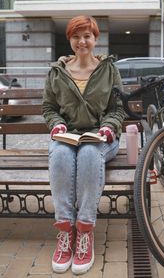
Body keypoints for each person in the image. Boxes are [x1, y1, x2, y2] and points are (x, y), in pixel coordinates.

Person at [42, 15, 125, 275]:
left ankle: (85, 232)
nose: (82, 41)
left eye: (87, 36)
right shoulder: (57, 72)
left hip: (100, 139)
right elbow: (49, 108)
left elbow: (117, 108)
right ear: (70, 40)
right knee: (61, 156)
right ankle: (66, 233)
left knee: (89, 153)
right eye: (76, 36)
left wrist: (108, 127)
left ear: (95, 39)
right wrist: (57, 125)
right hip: (67, 137)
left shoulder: (109, 69)